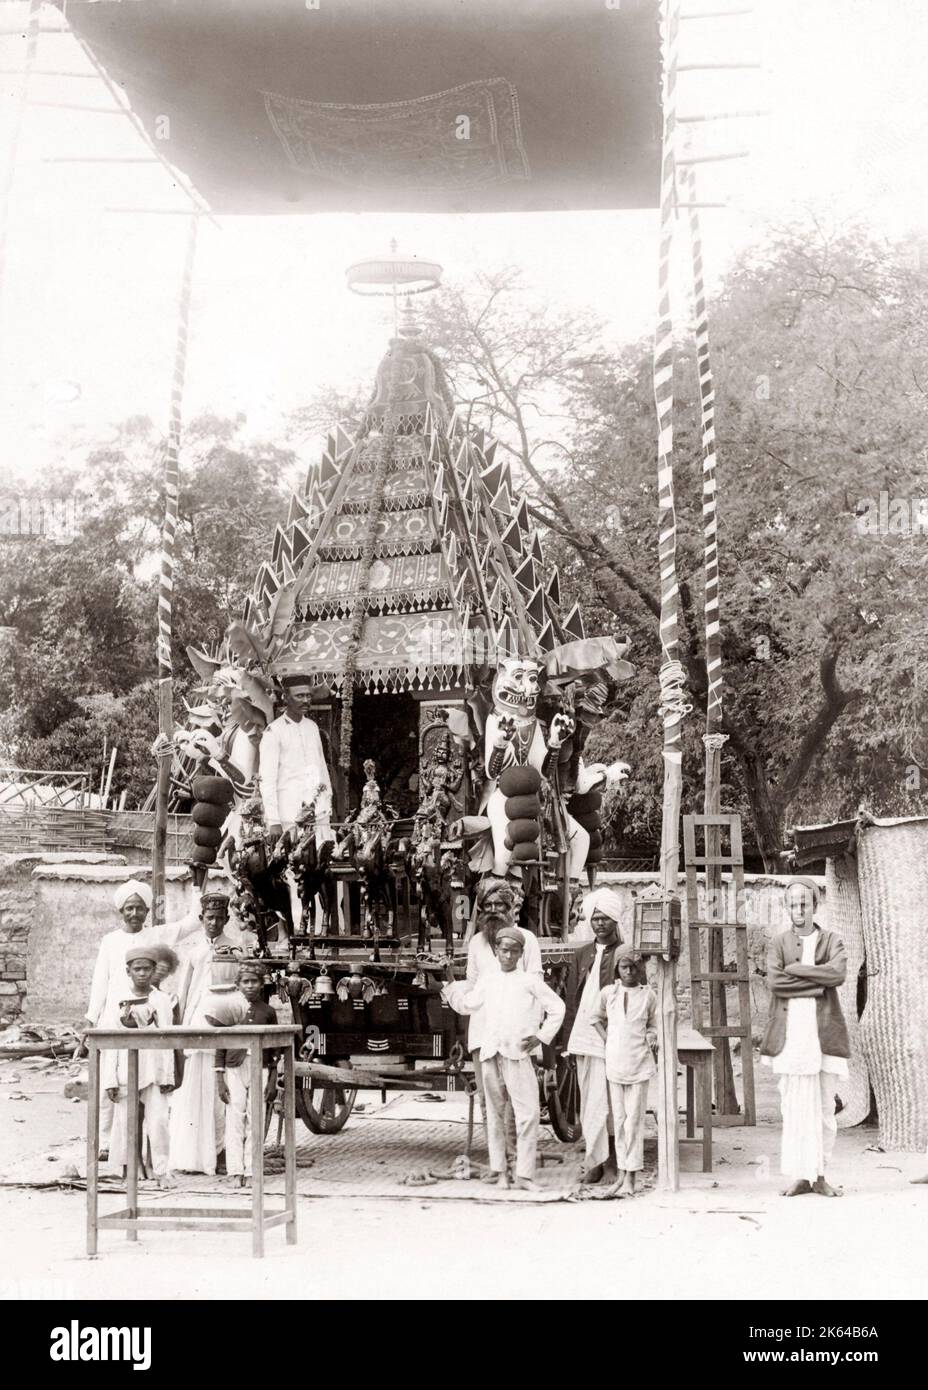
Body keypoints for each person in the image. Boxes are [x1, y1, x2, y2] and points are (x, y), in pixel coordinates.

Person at [443, 927, 565, 1191]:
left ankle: (524, 1175)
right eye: (504, 950)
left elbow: (558, 1008)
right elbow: (467, 1005)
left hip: (517, 1054)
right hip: (490, 1054)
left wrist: (541, 1037)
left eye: (514, 951)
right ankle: (500, 1172)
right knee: (495, 1115)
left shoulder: (529, 981)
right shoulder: (488, 980)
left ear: (522, 954)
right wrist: (450, 984)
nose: (508, 956)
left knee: (528, 1113)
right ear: (496, 951)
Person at [761, 877, 850, 1198]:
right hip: (790, 1035)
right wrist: (816, 984)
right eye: (794, 904)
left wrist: (795, 970)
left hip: (823, 1033)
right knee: (794, 1107)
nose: (799, 910)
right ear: (787, 907)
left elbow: (837, 974)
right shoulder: (778, 943)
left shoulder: (832, 940)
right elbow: (775, 982)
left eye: (805, 903)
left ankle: (821, 1175)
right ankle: (801, 1176)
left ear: (815, 905)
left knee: (824, 1109)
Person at [83, 879, 158, 1157]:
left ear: (148, 911)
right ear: (121, 911)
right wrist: (92, 1018)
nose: (135, 913)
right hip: (111, 1017)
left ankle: (140, 1144)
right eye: (130, 908)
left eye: (140, 908)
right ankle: (104, 1142)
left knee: (143, 1079)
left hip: (144, 1015)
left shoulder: (153, 938)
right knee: (108, 1082)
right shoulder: (110, 941)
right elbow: (100, 981)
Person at [563, 887, 625, 1183]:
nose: (599, 923)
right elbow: (572, 998)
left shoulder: (624, 954)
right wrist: (566, 1043)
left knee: (611, 1103)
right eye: (596, 918)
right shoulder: (581, 953)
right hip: (582, 1036)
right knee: (589, 1101)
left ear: (615, 920)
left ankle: (612, 1161)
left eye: (605, 918)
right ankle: (595, 1161)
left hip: (611, 1036)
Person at [101, 944, 174, 1186]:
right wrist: (109, 1080)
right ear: (128, 971)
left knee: (159, 1122)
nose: (142, 973)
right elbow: (110, 1042)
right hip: (126, 1069)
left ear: (154, 971)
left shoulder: (162, 1000)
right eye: (137, 969)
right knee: (126, 1122)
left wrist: (168, 1076)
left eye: (147, 969)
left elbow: (168, 1039)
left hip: (154, 1068)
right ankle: (130, 1169)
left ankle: (161, 1171)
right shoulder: (117, 999)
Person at [589, 947, 657, 1197]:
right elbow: (594, 1017)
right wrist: (608, 1040)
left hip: (639, 1063)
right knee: (618, 1122)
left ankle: (632, 1178)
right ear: (617, 968)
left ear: (641, 968)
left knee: (634, 1123)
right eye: (624, 966)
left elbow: (653, 1025)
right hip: (615, 1064)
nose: (629, 971)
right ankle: (620, 1174)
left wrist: (651, 1037)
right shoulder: (609, 993)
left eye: (634, 966)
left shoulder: (649, 996)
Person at [169, 956, 243, 1175]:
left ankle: (220, 1151)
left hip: (221, 1058)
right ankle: (202, 1154)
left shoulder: (236, 997)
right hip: (203, 1056)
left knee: (219, 1108)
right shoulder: (204, 995)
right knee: (203, 1103)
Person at [213, 963, 279, 1186]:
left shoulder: (268, 1012)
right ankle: (235, 1172)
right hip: (234, 1068)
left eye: (254, 982)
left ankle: (252, 1171)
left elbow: (275, 1048)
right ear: (238, 985)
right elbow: (220, 1043)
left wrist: (272, 1078)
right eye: (245, 982)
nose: (250, 986)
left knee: (256, 1119)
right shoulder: (229, 1009)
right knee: (234, 1119)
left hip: (259, 1067)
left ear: (261, 984)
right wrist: (219, 1077)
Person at [259, 675, 333, 843]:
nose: (306, 700)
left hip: (318, 813)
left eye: (308, 695)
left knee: (320, 863)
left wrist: (327, 802)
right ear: (286, 697)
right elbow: (267, 779)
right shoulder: (274, 732)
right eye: (299, 696)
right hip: (289, 815)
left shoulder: (312, 727)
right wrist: (273, 821)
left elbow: (321, 767)